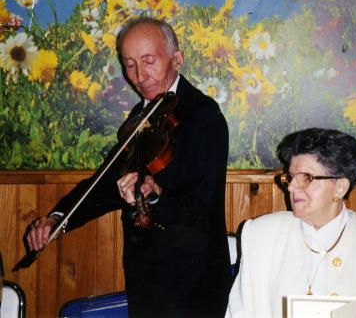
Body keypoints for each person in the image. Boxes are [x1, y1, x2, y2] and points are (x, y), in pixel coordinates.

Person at [26, 17, 232, 317]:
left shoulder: (204, 117)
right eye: (130, 64)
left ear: (177, 59)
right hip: (148, 280)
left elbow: (201, 210)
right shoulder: (143, 115)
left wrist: (154, 195)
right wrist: (58, 218)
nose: (139, 75)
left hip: (192, 287)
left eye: (149, 61)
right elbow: (106, 183)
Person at [226, 128, 356, 318]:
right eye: (290, 177)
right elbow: (239, 313)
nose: (291, 187)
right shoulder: (260, 235)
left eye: (307, 178)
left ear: (340, 187)